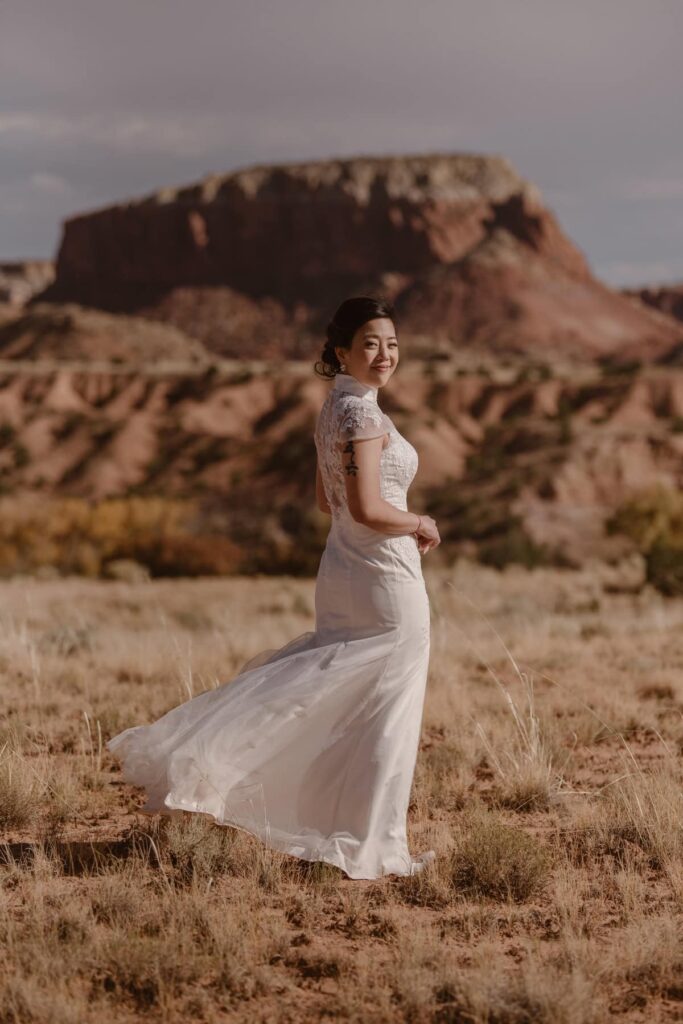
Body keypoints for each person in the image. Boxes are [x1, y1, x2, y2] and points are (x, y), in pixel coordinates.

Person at [107, 295, 441, 879]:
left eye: (391, 343)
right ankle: (373, 846)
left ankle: (353, 832)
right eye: (370, 343)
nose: (385, 354)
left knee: (343, 692)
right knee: (385, 711)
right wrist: (418, 522)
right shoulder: (362, 415)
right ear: (341, 351)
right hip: (385, 574)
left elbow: (325, 501)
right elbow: (364, 507)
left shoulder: (333, 409)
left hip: (342, 569)